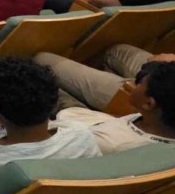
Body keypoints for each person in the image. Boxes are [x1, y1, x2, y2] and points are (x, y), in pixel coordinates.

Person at [35, 47, 175, 154]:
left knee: (39, 75)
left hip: (70, 122)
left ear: (148, 103)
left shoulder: (106, 143)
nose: (134, 84)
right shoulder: (159, 123)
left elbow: (47, 137)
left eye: (140, 84)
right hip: (95, 119)